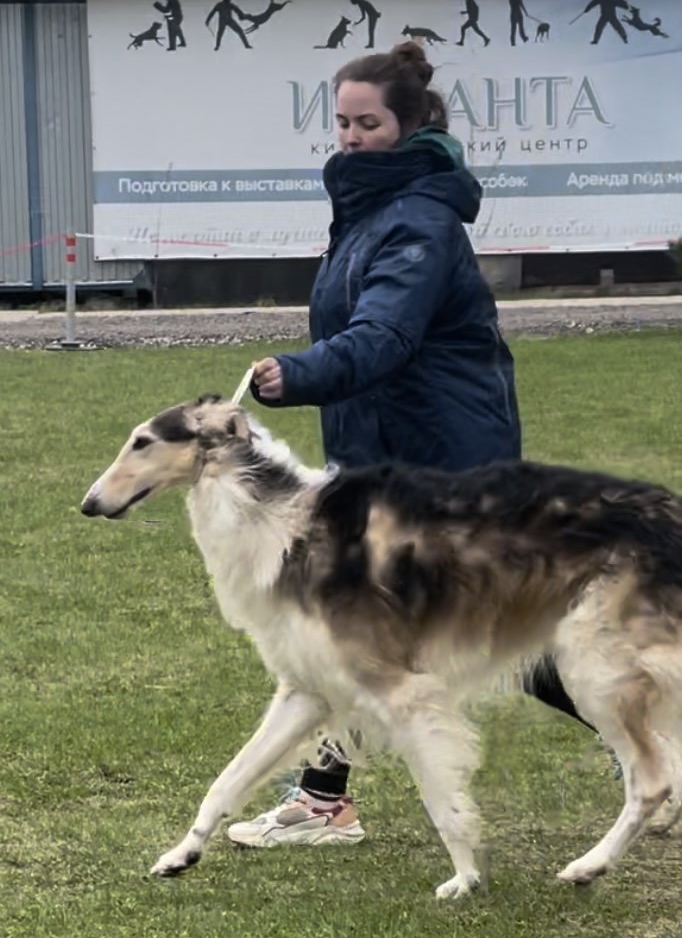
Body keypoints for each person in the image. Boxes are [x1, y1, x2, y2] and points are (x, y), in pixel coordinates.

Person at [227, 41, 604, 849]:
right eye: (341, 122)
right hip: (383, 460)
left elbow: (385, 337)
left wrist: (294, 376)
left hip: (444, 468)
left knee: (485, 634)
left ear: (409, 124)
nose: (351, 137)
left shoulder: (421, 219)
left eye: (368, 123)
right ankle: (326, 799)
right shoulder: (369, 210)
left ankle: (633, 733)